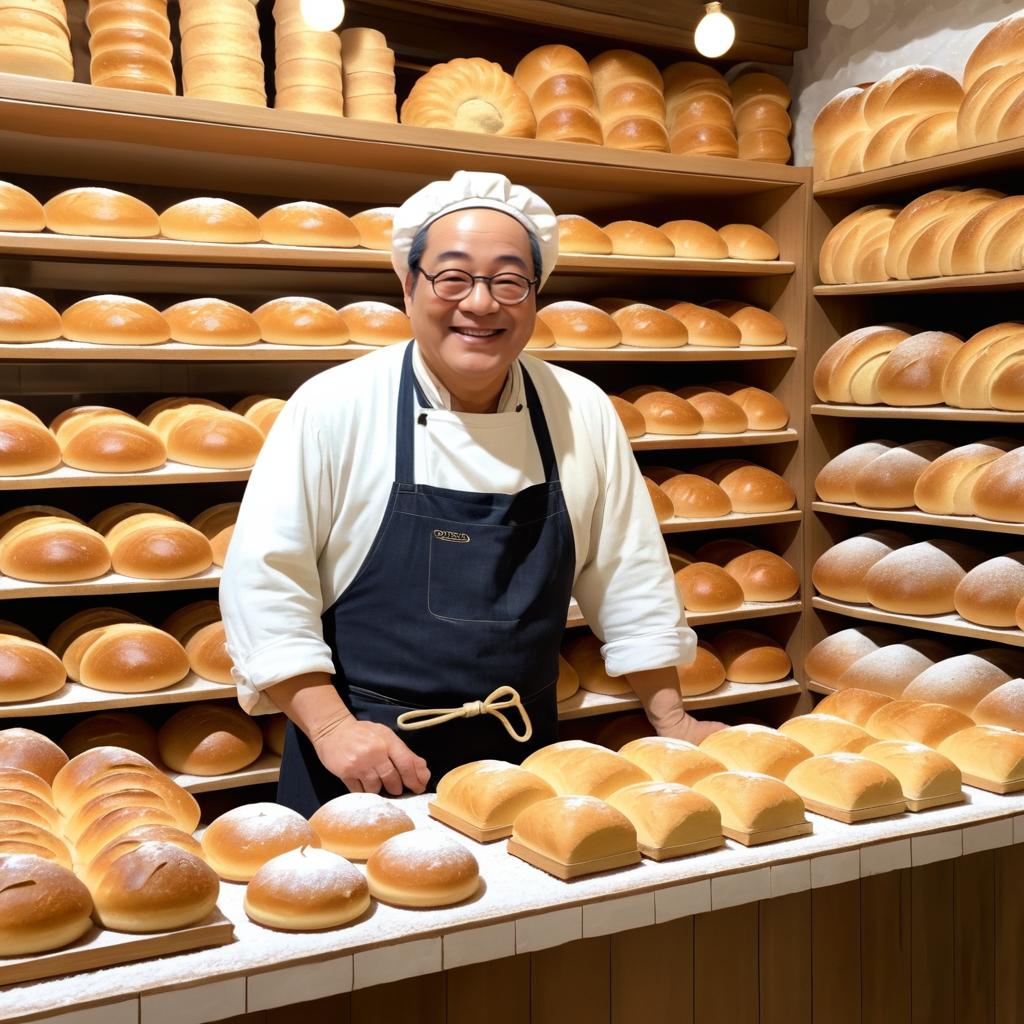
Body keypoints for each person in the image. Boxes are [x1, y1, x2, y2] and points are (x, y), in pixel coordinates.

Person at [220, 170, 723, 816]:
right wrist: (330, 728)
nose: (481, 303)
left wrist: (673, 719)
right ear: (408, 286)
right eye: (452, 277)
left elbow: (629, 574)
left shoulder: (579, 409)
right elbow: (266, 582)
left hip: (525, 766)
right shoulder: (334, 406)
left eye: (509, 280)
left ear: (536, 295)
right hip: (366, 766)